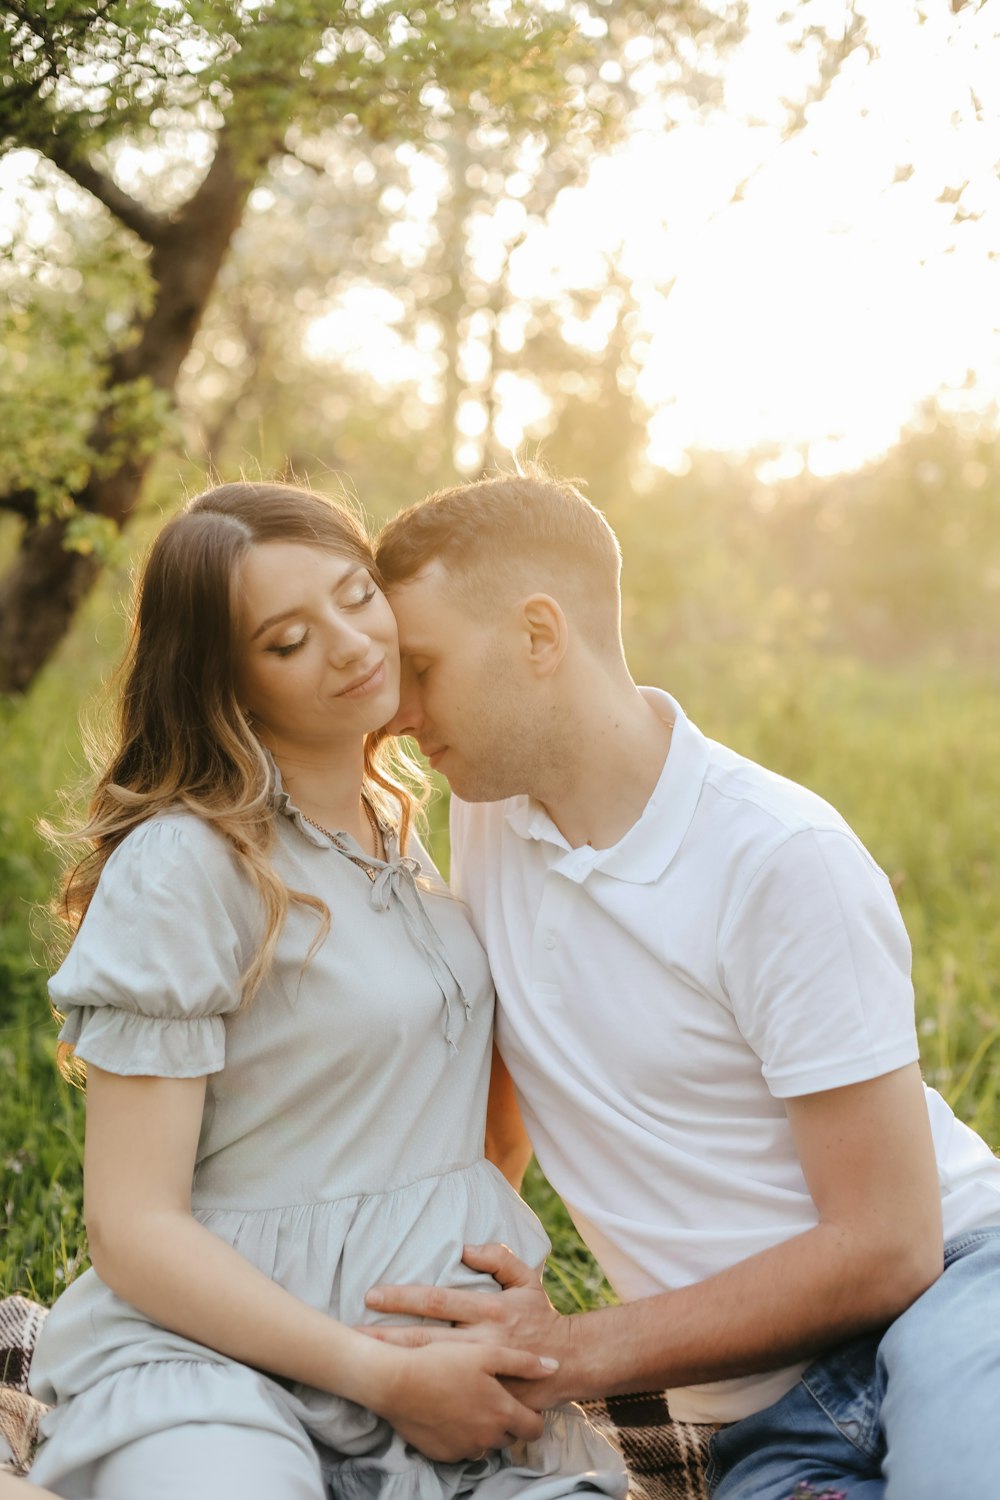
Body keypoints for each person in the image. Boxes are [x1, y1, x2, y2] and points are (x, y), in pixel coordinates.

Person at [365, 470, 1000, 1500]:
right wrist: (459, 1285)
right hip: (762, 1414)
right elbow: (506, 1090)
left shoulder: (777, 856)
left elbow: (890, 1249)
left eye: (422, 667)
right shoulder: (487, 814)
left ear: (539, 636)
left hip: (951, 1297)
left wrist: (562, 1352)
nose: (397, 713)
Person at [25, 482, 626, 1500]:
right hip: (216, 1357)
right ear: (229, 680)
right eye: (288, 639)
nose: (350, 645)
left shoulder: (410, 831)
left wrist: (465, 1294)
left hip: (426, 1346)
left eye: (356, 596)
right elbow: (131, 1227)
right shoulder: (189, 862)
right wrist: (382, 1375)